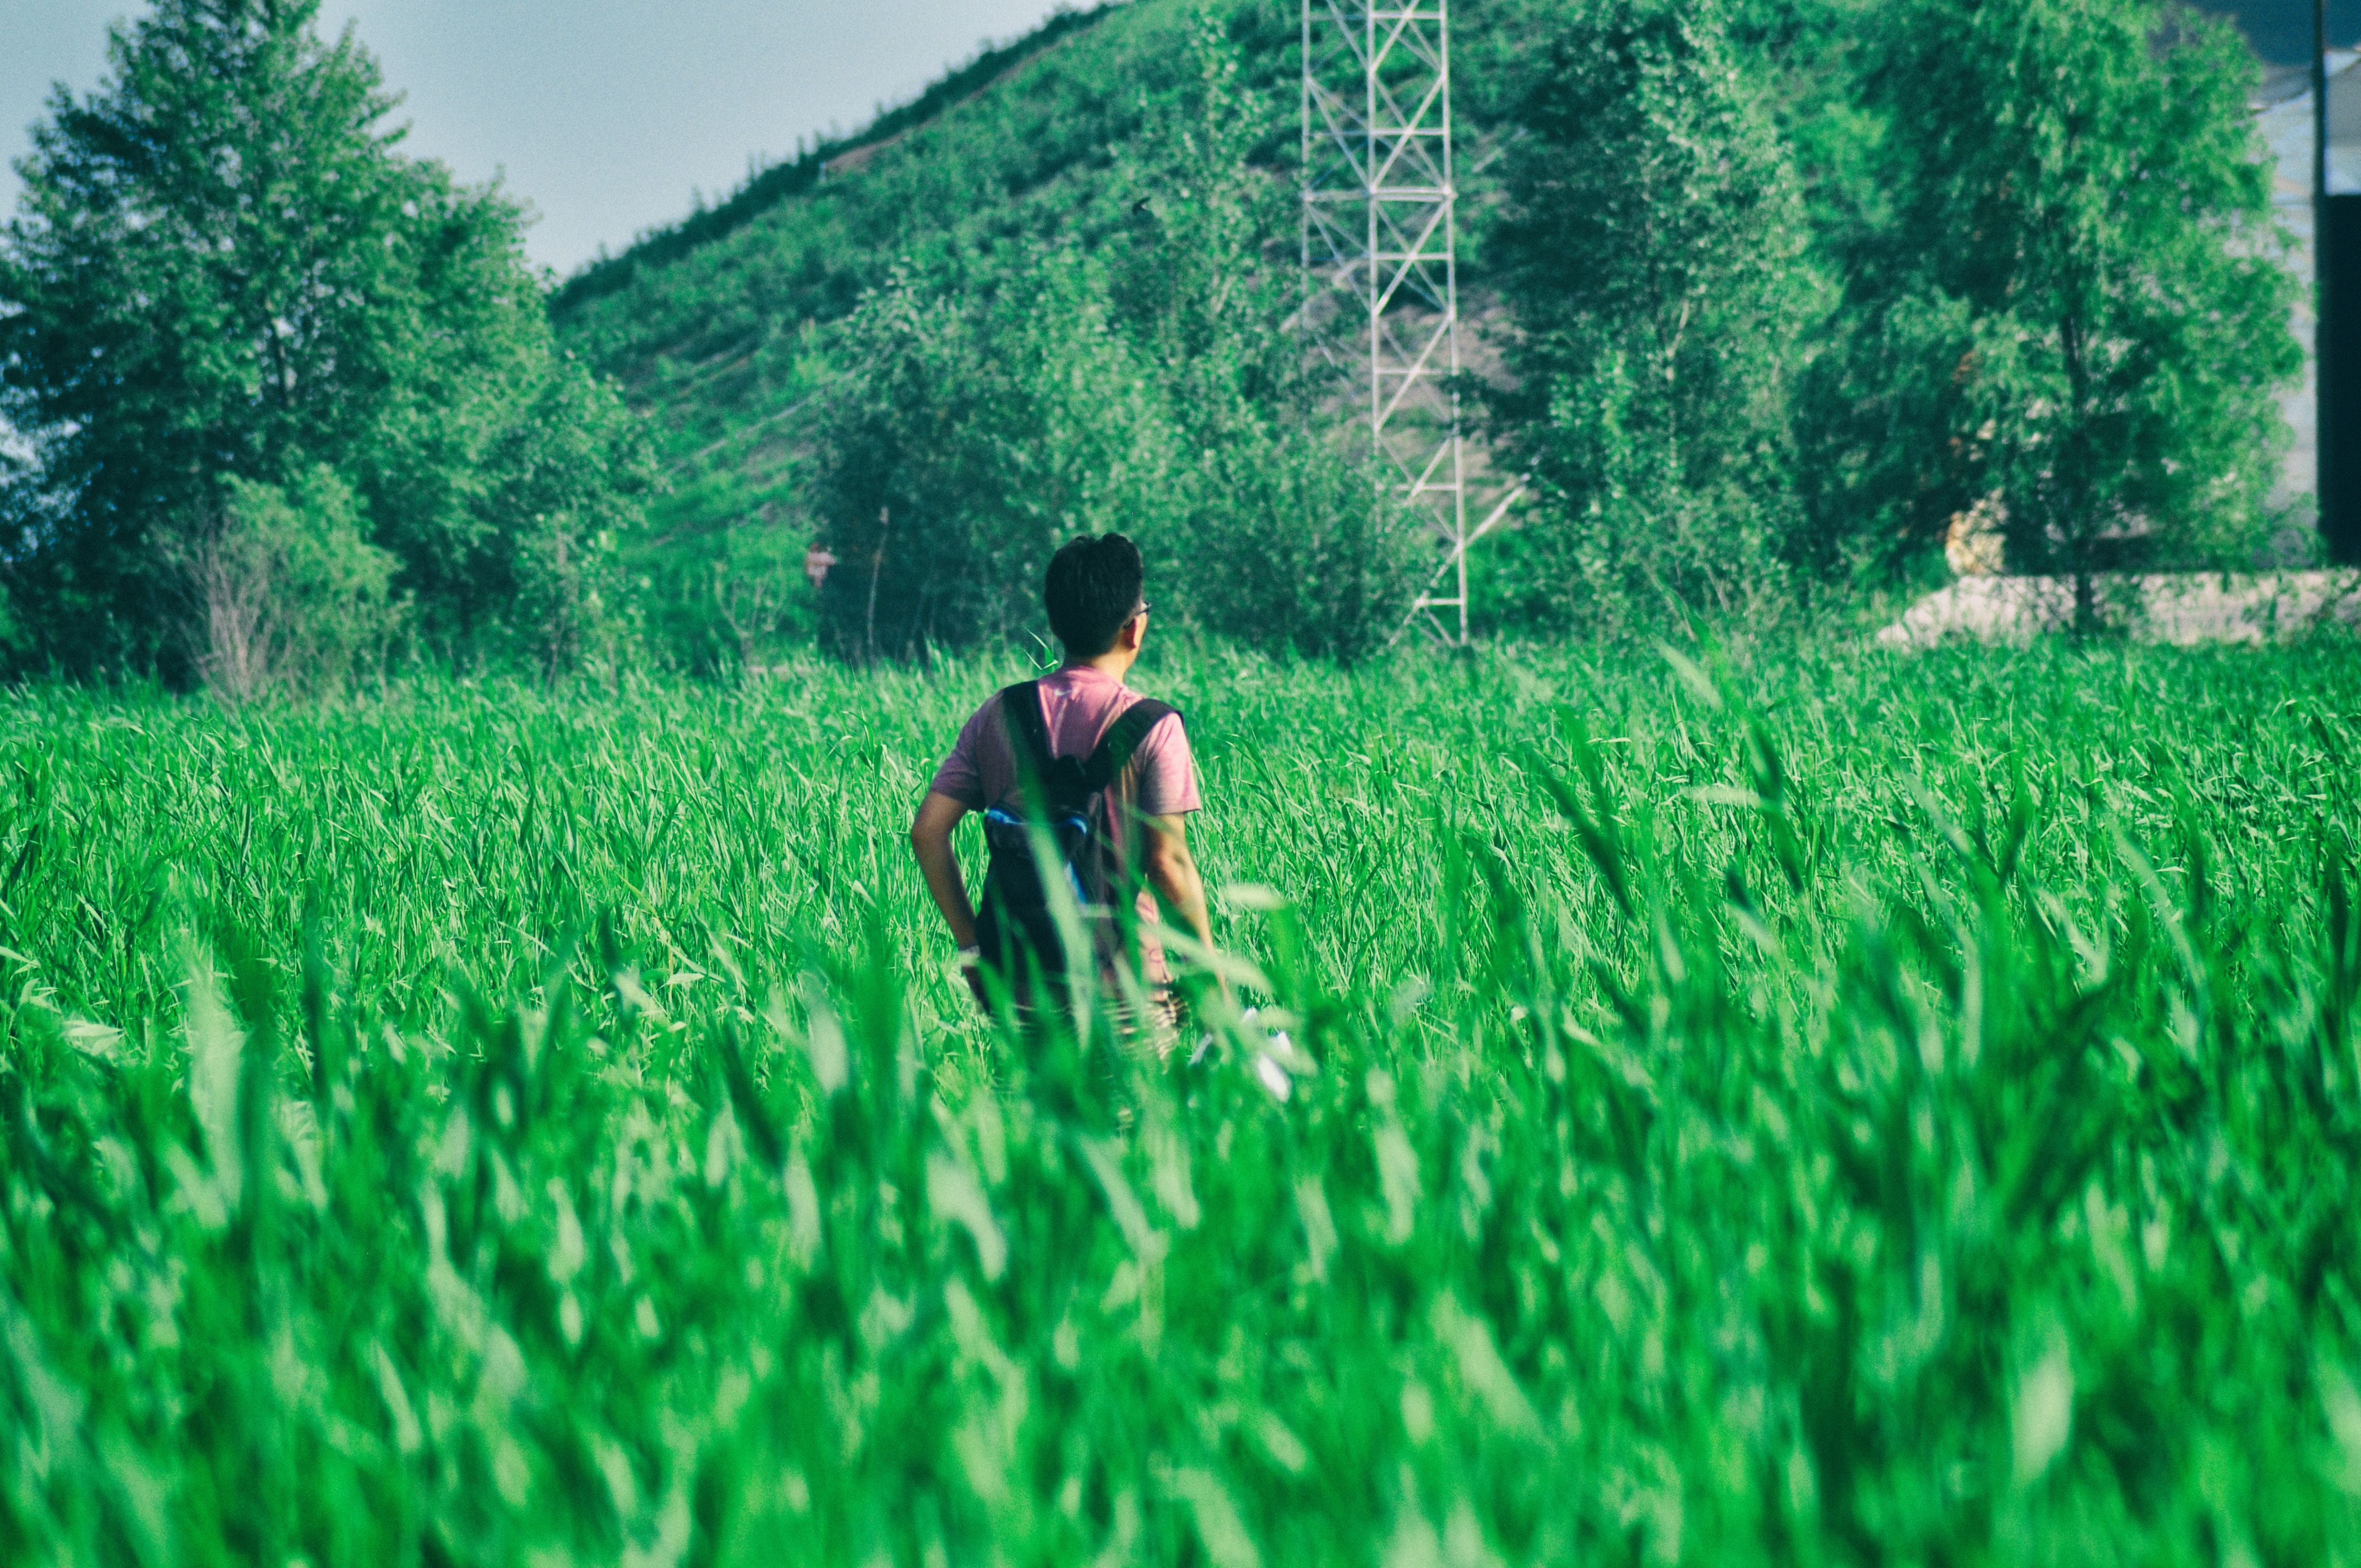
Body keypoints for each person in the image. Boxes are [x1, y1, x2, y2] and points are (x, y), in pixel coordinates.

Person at [909, 534, 1214, 1035]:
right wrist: (1213, 982)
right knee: (1133, 1117)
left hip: (1023, 998)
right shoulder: (1154, 727)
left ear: (1053, 625)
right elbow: (1167, 862)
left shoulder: (999, 715)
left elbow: (928, 833)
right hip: (1126, 996)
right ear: (1134, 629)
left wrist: (972, 950)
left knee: (1027, 1116)